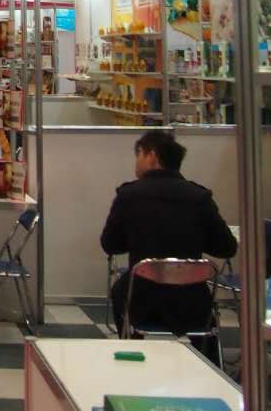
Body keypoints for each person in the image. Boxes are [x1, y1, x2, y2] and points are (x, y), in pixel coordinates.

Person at [100, 129, 237, 347]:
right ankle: (205, 357)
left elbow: (110, 244)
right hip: (191, 303)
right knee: (203, 312)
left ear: (152, 156)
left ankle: (131, 347)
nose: (136, 162)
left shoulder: (129, 196)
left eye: (139, 154)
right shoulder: (199, 197)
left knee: (120, 291)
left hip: (141, 301)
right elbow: (227, 248)